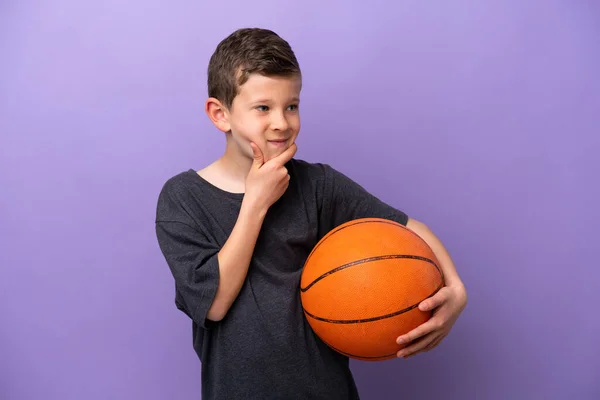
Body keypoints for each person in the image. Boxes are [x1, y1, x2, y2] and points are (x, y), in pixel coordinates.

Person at [155, 27, 467, 400]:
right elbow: (216, 303)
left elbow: (411, 229)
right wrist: (256, 202)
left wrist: (456, 288)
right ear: (219, 114)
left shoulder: (318, 185)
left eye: (292, 106)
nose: (282, 123)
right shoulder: (182, 198)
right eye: (262, 108)